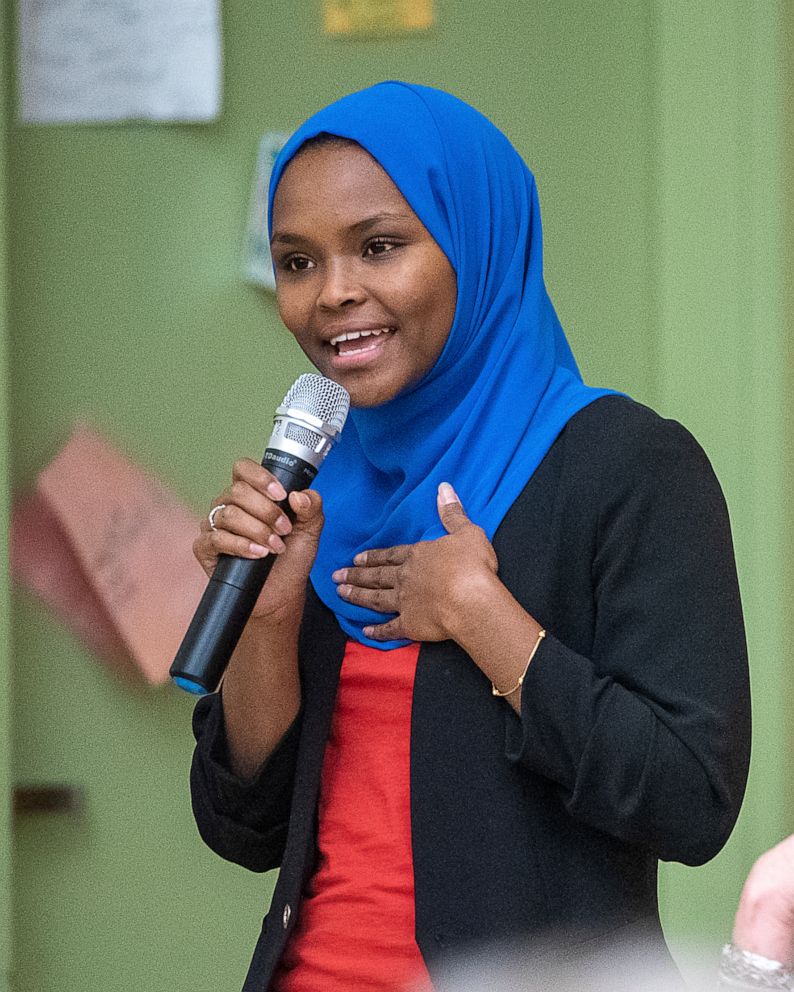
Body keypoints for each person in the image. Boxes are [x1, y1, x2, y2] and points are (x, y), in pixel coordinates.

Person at [187, 82, 751, 992]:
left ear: (478, 244)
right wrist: (268, 620)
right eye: (297, 263)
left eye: (379, 247)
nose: (333, 294)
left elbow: (690, 802)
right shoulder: (315, 492)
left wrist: (482, 616)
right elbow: (241, 828)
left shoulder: (626, 466)